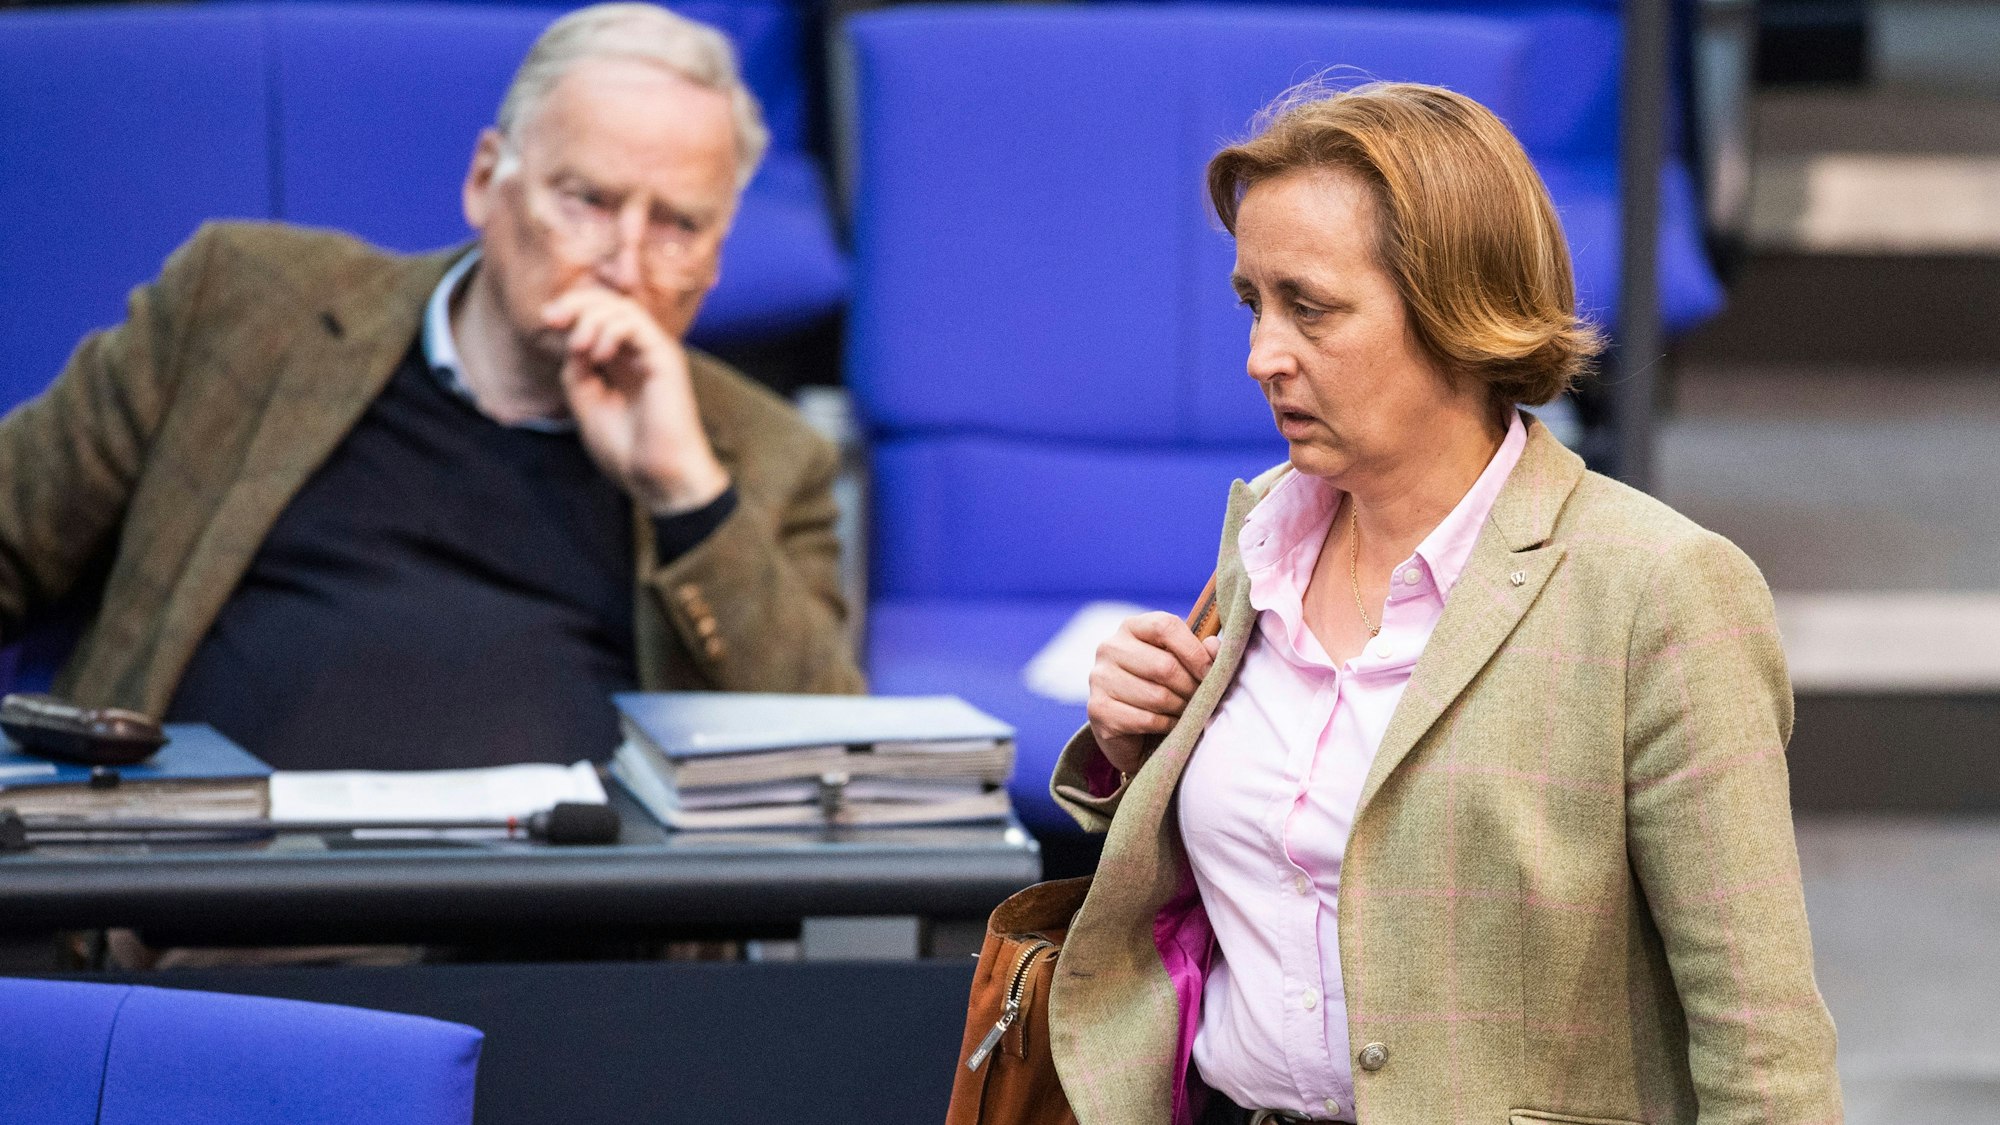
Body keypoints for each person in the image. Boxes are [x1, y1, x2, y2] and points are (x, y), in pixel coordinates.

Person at [1047, 83, 1841, 1125]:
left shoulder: (1656, 589)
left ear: (1454, 307)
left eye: (1309, 308)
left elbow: (1761, 1048)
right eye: (1253, 304)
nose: (1259, 357)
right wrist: (1133, 743)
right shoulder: (1260, 542)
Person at [0, 3, 863, 771]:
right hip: (214, 910)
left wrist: (685, 495)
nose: (625, 262)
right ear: (487, 180)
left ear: (719, 256)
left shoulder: (760, 457)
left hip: (565, 933)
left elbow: (844, 768)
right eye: (589, 200)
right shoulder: (242, 306)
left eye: (678, 224)